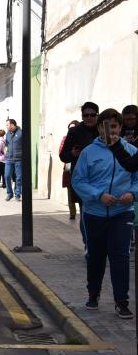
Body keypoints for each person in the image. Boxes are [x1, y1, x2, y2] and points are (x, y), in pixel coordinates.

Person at [72, 108, 137, 319]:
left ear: (120, 127)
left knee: (120, 256)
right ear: (99, 128)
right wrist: (98, 195)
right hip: (95, 213)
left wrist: (132, 194)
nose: (109, 130)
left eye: (114, 126)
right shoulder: (89, 152)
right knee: (96, 255)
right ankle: (93, 292)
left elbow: (137, 179)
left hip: (122, 212)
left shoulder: (131, 152)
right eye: (104, 126)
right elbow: (78, 181)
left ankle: (121, 301)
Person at [59, 102, 100, 256]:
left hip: (103, 178)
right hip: (83, 179)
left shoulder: (104, 129)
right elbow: (63, 155)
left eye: (92, 115)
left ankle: (101, 244)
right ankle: (89, 245)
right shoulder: (75, 132)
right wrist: (73, 154)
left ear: (97, 115)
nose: (89, 118)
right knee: (85, 212)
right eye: (86, 115)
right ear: (82, 116)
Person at [60, 120, 80, 219]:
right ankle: (72, 212)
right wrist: (71, 153)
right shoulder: (66, 139)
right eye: (70, 128)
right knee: (70, 189)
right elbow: (61, 153)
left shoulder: (82, 138)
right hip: (68, 167)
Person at [4, 119, 22, 201]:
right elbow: (6, 144)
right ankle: (9, 193)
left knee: (19, 177)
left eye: (7, 125)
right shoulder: (7, 134)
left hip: (19, 159)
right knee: (7, 176)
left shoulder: (21, 133)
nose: (6, 126)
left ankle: (17, 194)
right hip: (9, 159)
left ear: (12, 125)